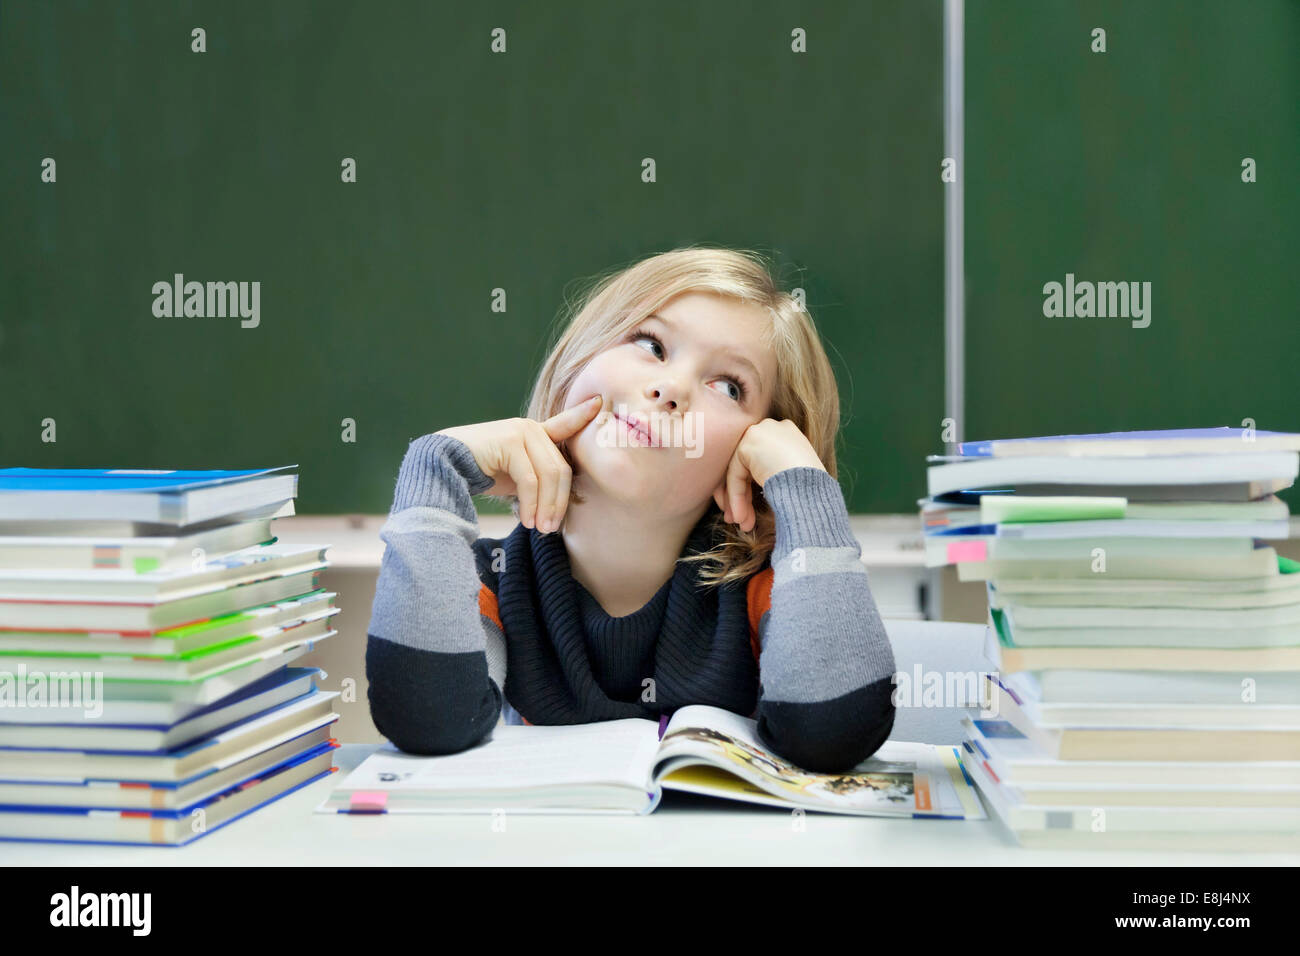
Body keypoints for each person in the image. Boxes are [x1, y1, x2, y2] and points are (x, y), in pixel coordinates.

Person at [365, 246, 897, 773]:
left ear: (754, 454)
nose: (670, 388)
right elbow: (426, 720)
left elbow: (834, 735)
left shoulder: (770, 594)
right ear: (579, 358)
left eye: (729, 386)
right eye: (651, 344)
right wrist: (437, 470)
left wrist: (803, 487)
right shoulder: (489, 582)